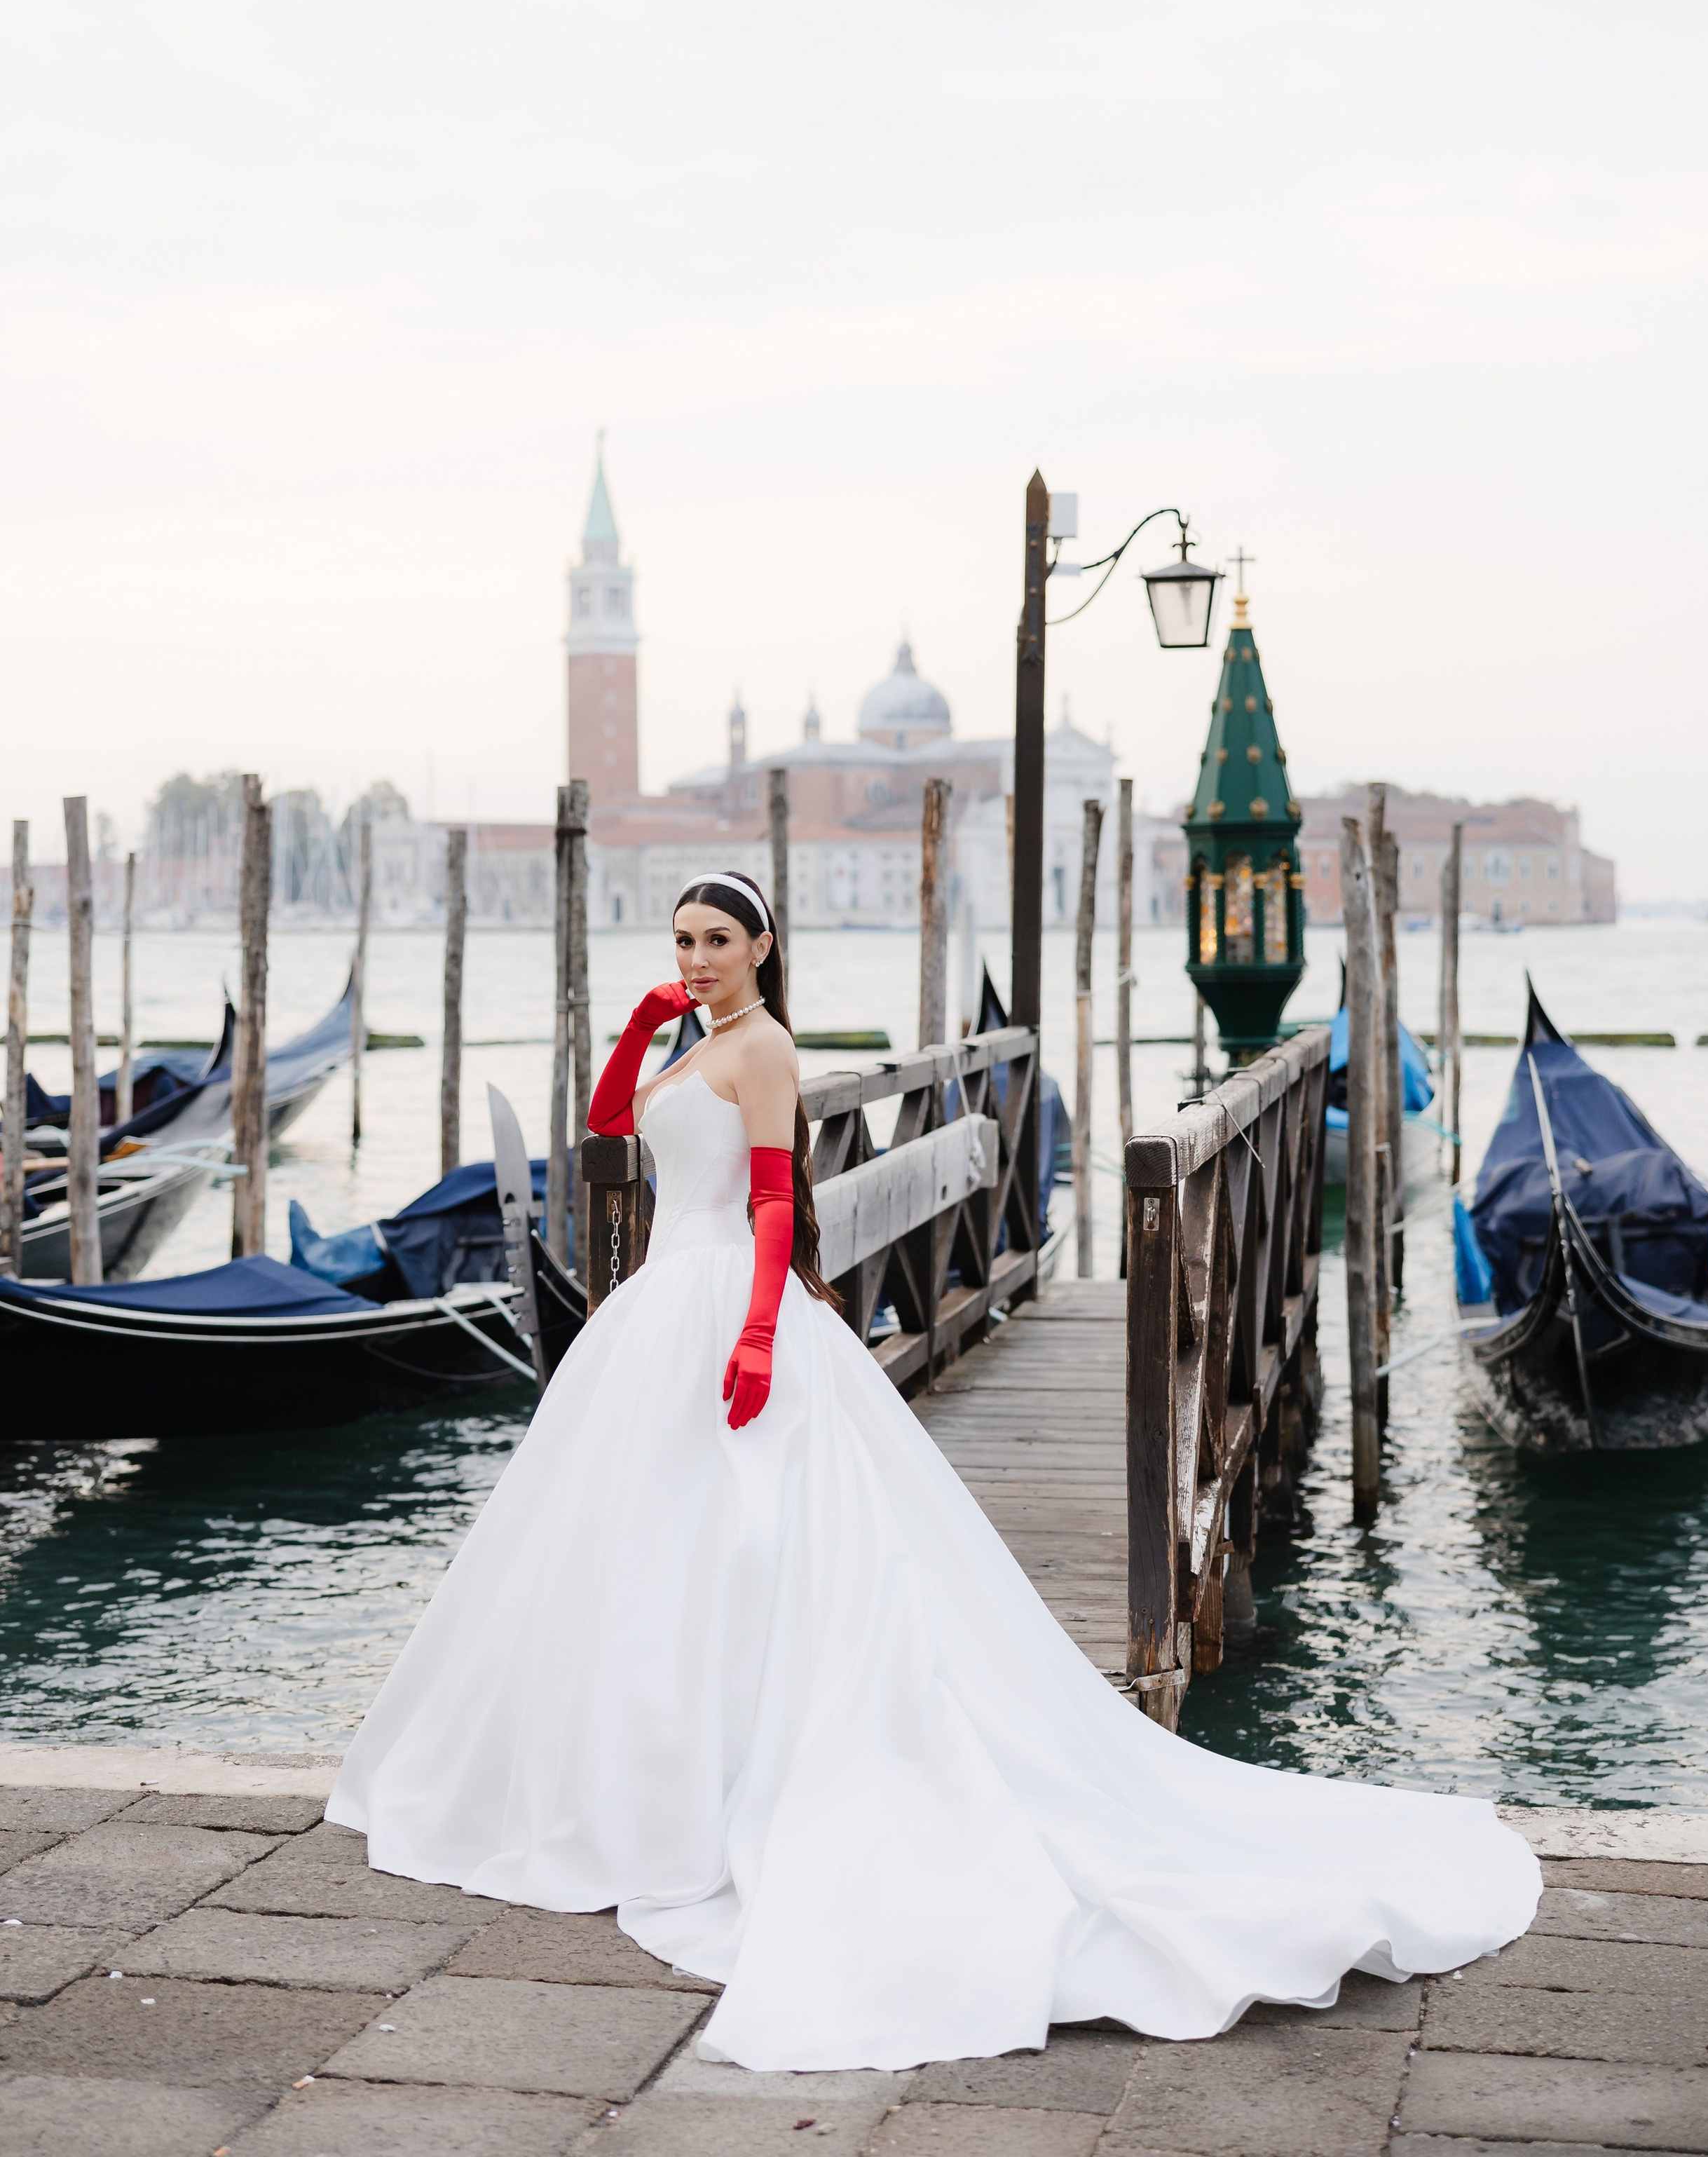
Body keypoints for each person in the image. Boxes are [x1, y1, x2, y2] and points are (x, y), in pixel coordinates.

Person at [329, 871, 1538, 2073]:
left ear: (764, 946)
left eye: (716, 942)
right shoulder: (695, 1039)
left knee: (750, 1539)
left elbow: (766, 1212)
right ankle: (638, 1782)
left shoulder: (763, 1048)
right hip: (660, 1310)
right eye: (684, 940)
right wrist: (647, 1022)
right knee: (645, 1547)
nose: (697, 957)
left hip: (727, 1305)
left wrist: (758, 1333)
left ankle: (718, 1784)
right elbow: (605, 1131)